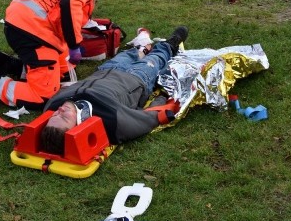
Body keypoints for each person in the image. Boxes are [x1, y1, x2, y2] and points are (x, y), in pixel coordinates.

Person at [40, 26, 189, 153]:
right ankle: (171, 43)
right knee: (157, 58)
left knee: (131, 53)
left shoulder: (52, 105)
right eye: (65, 117)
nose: (59, 111)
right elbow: (149, 119)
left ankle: (144, 47)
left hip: (107, 70)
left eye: (54, 116)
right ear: (77, 128)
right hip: (137, 78)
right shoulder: (112, 121)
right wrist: (162, 97)